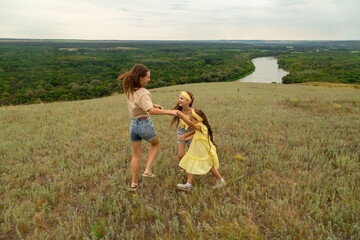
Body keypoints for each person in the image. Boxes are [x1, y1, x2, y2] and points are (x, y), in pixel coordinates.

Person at [117, 64, 177, 191]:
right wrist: (170, 112)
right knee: (155, 144)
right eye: (148, 77)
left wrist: (153, 104)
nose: (149, 79)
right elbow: (150, 111)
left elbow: (138, 104)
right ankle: (147, 170)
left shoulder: (129, 90)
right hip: (144, 124)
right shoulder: (144, 93)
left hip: (133, 125)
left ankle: (133, 183)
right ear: (140, 78)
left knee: (136, 155)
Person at [176, 108, 226, 191]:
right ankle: (188, 184)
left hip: (203, 150)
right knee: (190, 163)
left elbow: (192, 126)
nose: (190, 121)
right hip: (196, 149)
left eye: (191, 119)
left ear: (197, 120)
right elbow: (195, 134)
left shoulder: (202, 126)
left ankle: (221, 181)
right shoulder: (199, 126)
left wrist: (182, 117)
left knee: (210, 167)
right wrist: (185, 137)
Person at [170, 91, 195, 163]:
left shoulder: (193, 112)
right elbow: (169, 112)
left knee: (190, 153)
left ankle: (189, 167)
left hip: (191, 132)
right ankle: (183, 166)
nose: (179, 100)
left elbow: (194, 126)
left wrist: (185, 135)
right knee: (180, 155)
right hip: (181, 131)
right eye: (179, 98)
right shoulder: (178, 110)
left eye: (181, 98)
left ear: (188, 101)